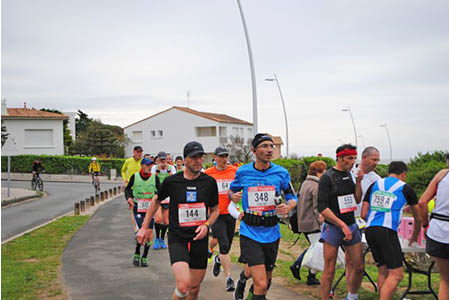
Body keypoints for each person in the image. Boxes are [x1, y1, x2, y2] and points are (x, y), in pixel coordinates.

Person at [137, 141, 219, 300]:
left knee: (194, 289)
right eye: (194, 157)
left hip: (199, 239)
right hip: (178, 238)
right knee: (183, 286)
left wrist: (206, 224)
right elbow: (156, 201)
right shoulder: (172, 181)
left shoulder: (209, 183)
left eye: (200, 157)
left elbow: (215, 210)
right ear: (185, 159)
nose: (198, 161)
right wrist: (144, 227)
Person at [229, 133, 298, 300]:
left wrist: (287, 207)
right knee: (261, 284)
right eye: (264, 146)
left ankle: (244, 284)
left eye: (271, 146)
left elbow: (293, 198)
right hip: (250, 231)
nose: (269, 150)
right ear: (254, 150)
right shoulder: (243, 171)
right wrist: (233, 196)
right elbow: (232, 190)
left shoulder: (281, 173)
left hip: (272, 232)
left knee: (266, 281)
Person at [362, 161, 421, 300]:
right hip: (387, 231)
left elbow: (364, 213)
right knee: (397, 274)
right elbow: (418, 218)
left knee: (383, 271)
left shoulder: (375, 185)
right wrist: (414, 237)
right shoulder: (405, 188)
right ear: (404, 174)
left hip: (370, 229)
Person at [318, 144, 364, 300]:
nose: (353, 162)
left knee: (358, 267)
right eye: (350, 158)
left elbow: (356, 200)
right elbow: (322, 207)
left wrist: (358, 183)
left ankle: (352, 296)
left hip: (351, 223)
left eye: (354, 158)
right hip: (333, 227)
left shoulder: (350, 174)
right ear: (340, 158)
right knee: (329, 269)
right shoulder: (327, 177)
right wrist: (341, 225)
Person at [205, 147, 238, 291]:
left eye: (226, 156)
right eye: (221, 156)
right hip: (215, 214)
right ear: (214, 157)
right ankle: (229, 279)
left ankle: (218, 259)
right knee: (223, 244)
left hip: (230, 214)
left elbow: (240, 188)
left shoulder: (234, 171)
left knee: (227, 246)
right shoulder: (208, 174)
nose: (224, 159)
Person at [290, 160, 327, 285]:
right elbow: (318, 208)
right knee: (317, 249)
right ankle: (298, 265)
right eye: (324, 171)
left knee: (316, 248)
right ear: (318, 172)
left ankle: (310, 275)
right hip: (313, 223)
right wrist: (323, 222)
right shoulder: (317, 186)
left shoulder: (305, 183)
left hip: (303, 221)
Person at [416, 153, 448, 300]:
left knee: (445, 280)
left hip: (438, 232)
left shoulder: (442, 175)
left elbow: (422, 202)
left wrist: (425, 224)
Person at [125, 158, 160, 267]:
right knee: (141, 233)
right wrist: (129, 198)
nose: (149, 167)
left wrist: (158, 206)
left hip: (150, 209)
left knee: (149, 235)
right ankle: (137, 252)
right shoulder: (135, 176)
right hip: (138, 208)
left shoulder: (155, 178)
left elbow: (160, 192)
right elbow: (127, 189)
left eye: (151, 165)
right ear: (142, 165)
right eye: (147, 165)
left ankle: (144, 256)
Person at [151, 151, 177, 249]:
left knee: (166, 221)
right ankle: (157, 238)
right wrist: (158, 171)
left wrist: (168, 171)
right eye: (161, 160)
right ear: (158, 160)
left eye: (164, 159)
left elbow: (173, 180)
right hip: (158, 196)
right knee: (158, 219)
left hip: (168, 197)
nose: (163, 162)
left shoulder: (171, 168)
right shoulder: (154, 168)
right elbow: (153, 180)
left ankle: (162, 238)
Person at [352, 147, 381, 228]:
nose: (376, 163)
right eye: (374, 159)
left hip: (367, 222)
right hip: (349, 221)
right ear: (364, 157)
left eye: (378, 160)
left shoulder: (377, 180)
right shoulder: (350, 173)